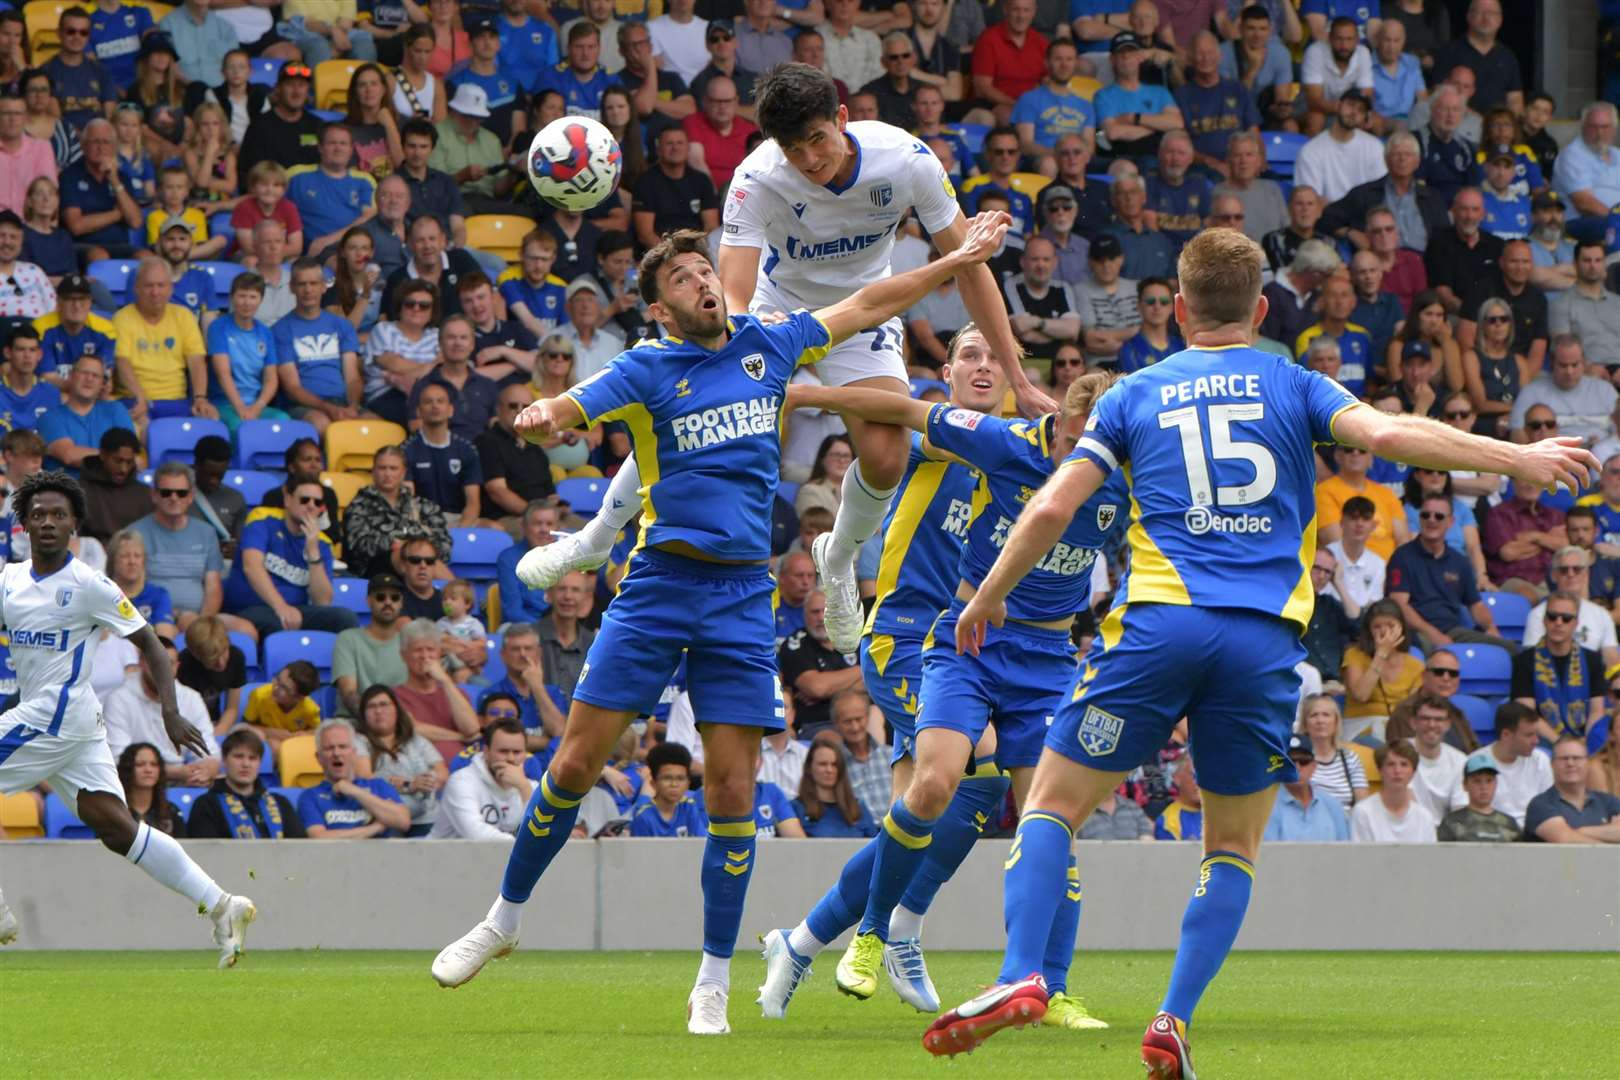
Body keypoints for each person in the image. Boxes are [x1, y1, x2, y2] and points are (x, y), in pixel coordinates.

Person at [931, 227, 1594, 1070]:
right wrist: (1521, 459)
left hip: (1161, 626)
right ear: (1264, 308)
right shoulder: (1294, 380)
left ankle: (1025, 972)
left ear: (1176, 310)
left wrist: (987, 595)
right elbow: (1387, 439)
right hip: (1265, 645)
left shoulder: (1133, 393)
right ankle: (1171, 1019)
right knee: (1233, 847)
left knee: (1052, 807)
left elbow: (1055, 507)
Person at [432, 211, 1015, 1033]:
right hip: (660, 584)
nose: (705, 282)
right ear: (661, 308)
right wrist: (544, 414)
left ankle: (712, 979)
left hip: (744, 597)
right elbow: (572, 404)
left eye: (706, 270)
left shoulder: (767, 345)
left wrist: (956, 259)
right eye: (683, 279)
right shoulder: (645, 367)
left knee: (734, 792)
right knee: (570, 767)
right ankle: (503, 921)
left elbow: (872, 301)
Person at [0, 471, 257, 963]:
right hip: (66, 725)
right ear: (24, 526)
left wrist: (169, 709)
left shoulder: (90, 585)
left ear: (75, 523)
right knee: (118, 829)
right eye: (39, 515)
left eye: (59, 515)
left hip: (59, 714)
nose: (49, 523)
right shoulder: (9, 581)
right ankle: (223, 904)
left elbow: (150, 645)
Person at [222, 478, 359, 641]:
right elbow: (251, 567)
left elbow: (322, 601)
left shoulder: (321, 543)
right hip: (251, 607)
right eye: (304, 500)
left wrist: (313, 552)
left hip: (296, 611)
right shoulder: (262, 521)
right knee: (278, 625)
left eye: (317, 502)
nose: (311, 505)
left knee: (345, 618)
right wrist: (281, 607)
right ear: (288, 499)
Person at [1389, 493, 1514, 652]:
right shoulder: (1402, 557)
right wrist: (1433, 634)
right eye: (1426, 515)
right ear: (1419, 519)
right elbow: (1399, 605)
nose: (1431, 520)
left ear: (1451, 522)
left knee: (1510, 651)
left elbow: (1475, 604)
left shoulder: (1459, 561)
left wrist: (1491, 627)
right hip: (1415, 634)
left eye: (1439, 516)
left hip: (1453, 632)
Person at [104, 632, 221, 788]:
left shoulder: (191, 698)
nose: (163, 671)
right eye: (157, 663)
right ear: (141, 663)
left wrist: (209, 768)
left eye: (169, 663)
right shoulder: (119, 699)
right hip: (135, 783)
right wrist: (175, 772)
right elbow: (120, 759)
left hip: (187, 780)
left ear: (177, 666)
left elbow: (207, 749)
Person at [127, 463, 227, 632]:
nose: (174, 498)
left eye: (181, 493)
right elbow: (129, 586)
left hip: (198, 617)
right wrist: (167, 613)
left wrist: (204, 622)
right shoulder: (134, 534)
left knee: (246, 630)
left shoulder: (207, 532)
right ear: (154, 495)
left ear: (191, 496)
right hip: (150, 615)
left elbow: (213, 586)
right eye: (166, 492)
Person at [112, 259, 212, 423]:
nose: (155, 292)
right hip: (134, 399)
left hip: (176, 401)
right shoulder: (122, 318)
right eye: (148, 285)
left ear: (171, 288)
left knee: (211, 423)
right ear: (136, 288)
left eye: (161, 285)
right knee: (146, 430)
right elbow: (122, 363)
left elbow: (196, 361)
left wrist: (200, 397)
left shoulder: (184, 316)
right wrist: (140, 397)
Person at [274, 258, 363, 434]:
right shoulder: (280, 330)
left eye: (314, 283)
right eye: (302, 284)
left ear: (323, 286)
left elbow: (352, 378)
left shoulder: (342, 326)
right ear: (292, 287)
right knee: (323, 427)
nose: (308, 290)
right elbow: (293, 388)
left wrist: (353, 406)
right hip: (304, 407)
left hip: (343, 403)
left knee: (379, 429)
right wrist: (327, 408)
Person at [1511, 591, 1605, 745]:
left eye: (1566, 618)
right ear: (1544, 620)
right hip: (1541, 742)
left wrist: (1587, 744)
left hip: (1584, 740)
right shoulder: (1523, 661)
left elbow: (1596, 711)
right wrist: (1561, 743)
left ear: (1576, 623)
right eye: (1552, 616)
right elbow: (1527, 713)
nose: (1558, 622)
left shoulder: (1592, 660)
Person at [355, 684, 448, 837]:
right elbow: (366, 779)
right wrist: (408, 785)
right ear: (363, 715)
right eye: (371, 707)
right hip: (383, 819)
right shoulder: (359, 741)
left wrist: (430, 781)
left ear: (396, 710)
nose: (378, 711)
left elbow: (442, 771)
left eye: (384, 704)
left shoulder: (417, 741)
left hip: (426, 817)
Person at [296, 719, 412, 838]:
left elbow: (403, 821)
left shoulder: (378, 786)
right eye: (329, 748)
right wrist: (375, 828)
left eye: (343, 747)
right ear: (319, 758)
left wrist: (355, 791)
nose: (336, 753)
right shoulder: (310, 796)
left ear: (354, 753)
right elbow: (319, 838)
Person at [392, 617, 481, 761]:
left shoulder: (454, 693)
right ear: (403, 655)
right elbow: (412, 729)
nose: (425, 656)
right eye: (417, 650)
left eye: (430, 649)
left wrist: (445, 681)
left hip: (462, 769)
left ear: (439, 654)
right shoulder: (394, 695)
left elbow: (471, 729)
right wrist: (460, 737)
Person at [1341, 599, 1424, 738]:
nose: (1384, 632)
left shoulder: (1416, 665)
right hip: (1359, 729)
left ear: (1401, 628)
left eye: (1391, 626)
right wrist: (1381, 655)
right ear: (1369, 631)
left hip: (1398, 731)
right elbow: (1361, 695)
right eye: (1377, 627)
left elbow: (1413, 711)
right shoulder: (1354, 655)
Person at [331, 575, 410, 717]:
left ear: (401, 603)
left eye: (394, 597)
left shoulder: (409, 643)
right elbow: (349, 694)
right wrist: (377, 722)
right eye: (380, 597)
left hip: (399, 725)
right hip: (354, 723)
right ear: (369, 601)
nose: (388, 602)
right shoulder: (348, 639)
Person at [1467, 702, 1553, 827]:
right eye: (1529, 735)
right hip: (1492, 832)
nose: (1536, 741)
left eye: (1536, 734)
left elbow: (1548, 810)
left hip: (1534, 832)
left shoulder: (1540, 760)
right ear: (1506, 735)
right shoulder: (1474, 762)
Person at [1294, 90, 1385, 205]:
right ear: (1337, 106)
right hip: (1327, 218)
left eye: (1361, 110)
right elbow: (1311, 201)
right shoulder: (1310, 151)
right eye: (1351, 105)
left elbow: (1378, 193)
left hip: (1364, 217)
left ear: (1364, 118)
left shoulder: (1375, 147)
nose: (1354, 112)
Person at [1523, 735, 1620, 843]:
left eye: (1577, 758)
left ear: (1588, 763)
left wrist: (1581, 831)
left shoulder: (1608, 802)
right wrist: (1608, 837)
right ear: (1552, 764)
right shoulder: (1540, 805)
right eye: (1564, 759)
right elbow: (1566, 839)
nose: (1570, 763)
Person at [1263, 735, 1350, 841]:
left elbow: (1345, 850)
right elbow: (1269, 854)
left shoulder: (1332, 804)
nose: (1297, 767)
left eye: (1304, 761)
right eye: (1290, 762)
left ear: (1314, 766)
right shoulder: (1266, 807)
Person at [790, 734, 879, 837]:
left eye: (834, 764)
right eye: (823, 764)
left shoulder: (858, 807)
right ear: (810, 767)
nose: (829, 770)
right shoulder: (796, 808)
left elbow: (874, 846)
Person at [1550, 242, 1620, 369]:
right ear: (1575, 264)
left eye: (1598, 260)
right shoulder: (1560, 305)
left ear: (1604, 264)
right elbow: (1560, 352)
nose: (1593, 266)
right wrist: (1590, 369)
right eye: (1587, 260)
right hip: (1585, 375)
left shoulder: (1617, 303)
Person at [1349, 742, 1437, 843]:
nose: (1397, 771)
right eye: (1391, 764)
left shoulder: (1424, 818)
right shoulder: (1363, 812)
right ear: (1380, 770)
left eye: (1404, 764)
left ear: (1414, 771)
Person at [1436, 748, 1522, 841]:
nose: (1484, 787)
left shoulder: (1509, 824)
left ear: (1496, 784)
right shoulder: (1452, 822)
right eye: (1477, 781)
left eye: (1489, 781)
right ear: (1465, 785)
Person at [629, 741, 708, 837]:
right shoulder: (643, 817)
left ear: (688, 783)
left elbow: (701, 843)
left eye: (680, 778)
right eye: (667, 778)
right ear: (653, 783)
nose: (674, 784)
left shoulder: (689, 807)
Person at [116, 742, 186, 837]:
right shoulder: (115, 812)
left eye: (154, 764)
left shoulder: (171, 813)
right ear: (127, 769)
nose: (148, 770)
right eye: (140, 764)